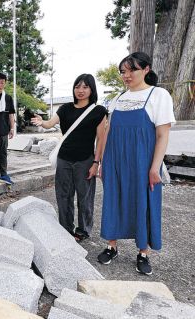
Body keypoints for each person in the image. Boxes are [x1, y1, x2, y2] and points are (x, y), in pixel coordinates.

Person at [98, 52, 175, 275]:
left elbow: (162, 135)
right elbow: (108, 132)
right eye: (123, 71)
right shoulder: (117, 99)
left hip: (143, 162)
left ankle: (143, 253)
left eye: (132, 70)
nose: (127, 75)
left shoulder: (158, 95)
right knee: (114, 199)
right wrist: (102, 161)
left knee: (144, 202)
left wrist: (155, 167)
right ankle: (111, 246)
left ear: (146, 70)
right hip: (115, 160)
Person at [31, 74, 107, 241]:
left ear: (92, 89)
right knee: (63, 196)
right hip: (64, 158)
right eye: (77, 86)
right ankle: (66, 229)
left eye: (85, 87)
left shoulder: (99, 111)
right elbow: (50, 123)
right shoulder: (65, 108)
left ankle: (83, 230)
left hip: (85, 160)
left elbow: (101, 139)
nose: (80, 90)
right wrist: (41, 121)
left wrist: (96, 162)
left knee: (85, 197)